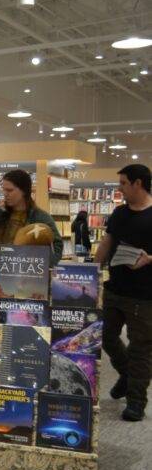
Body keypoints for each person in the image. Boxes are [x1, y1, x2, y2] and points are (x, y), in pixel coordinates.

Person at [93, 164, 152, 422]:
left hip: (145, 295)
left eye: (123, 184)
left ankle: (136, 401)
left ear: (138, 184)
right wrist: (92, 273)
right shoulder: (119, 213)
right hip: (115, 289)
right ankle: (127, 375)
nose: (120, 188)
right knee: (105, 337)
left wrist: (149, 258)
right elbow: (106, 243)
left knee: (141, 348)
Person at [0, 168, 63, 265]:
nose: (5, 194)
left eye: (10, 190)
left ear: (24, 191)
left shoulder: (40, 217)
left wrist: (43, 266)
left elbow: (57, 246)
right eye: (4, 190)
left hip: (25, 274)